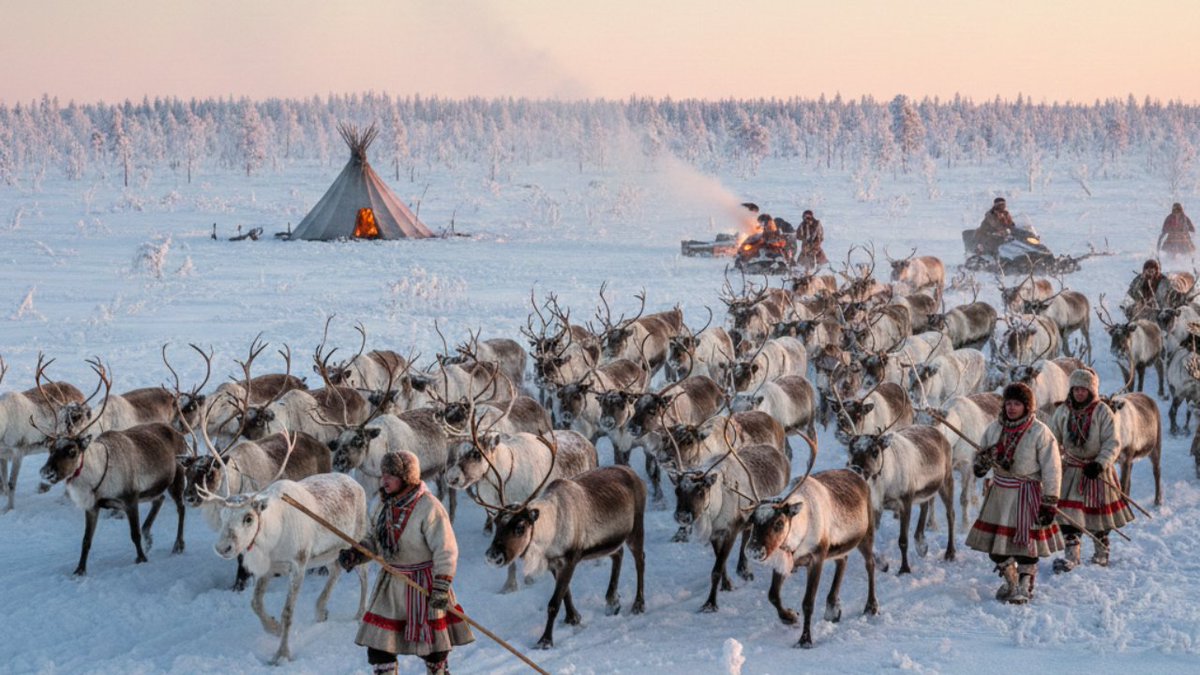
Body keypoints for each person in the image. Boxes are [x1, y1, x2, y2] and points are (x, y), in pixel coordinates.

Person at [339, 451, 474, 675]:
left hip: (424, 585)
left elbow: (446, 550)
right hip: (391, 584)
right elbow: (374, 541)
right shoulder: (381, 504)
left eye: (391, 475)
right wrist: (357, 554)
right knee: (380, 647)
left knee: (434, 649)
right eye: (383, 474)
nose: (384, 480)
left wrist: (441, 587)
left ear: (407, 478)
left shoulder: (428, 507)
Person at [965, 382, 1063, 605]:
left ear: (1027, 406)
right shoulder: (994, 429)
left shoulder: (1040, 432)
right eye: (1008, 403)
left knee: (1026, 546)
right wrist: (982, 462)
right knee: (996, 547)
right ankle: (1012, 582)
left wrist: (1050, 502)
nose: (1011, 408)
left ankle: (1024, 585)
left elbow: (1052, 469)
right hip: (999, 495)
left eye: (1017, 404)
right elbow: (979, 465)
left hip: (1027, 494)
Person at [1048, 369, 1133, 571]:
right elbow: (1052, 439)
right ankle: (1071, 556)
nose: (1079, 393)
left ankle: (1101, 552)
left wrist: (1100, 463)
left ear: (1091, 390)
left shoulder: (1103, 411)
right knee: (1068, 515)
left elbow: (1112, 442)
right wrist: (1052, 460)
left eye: (1083, 389)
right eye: (1076, 389)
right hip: (1071, 470)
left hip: (1097, 471)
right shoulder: (1063, 411)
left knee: (1099, 517)